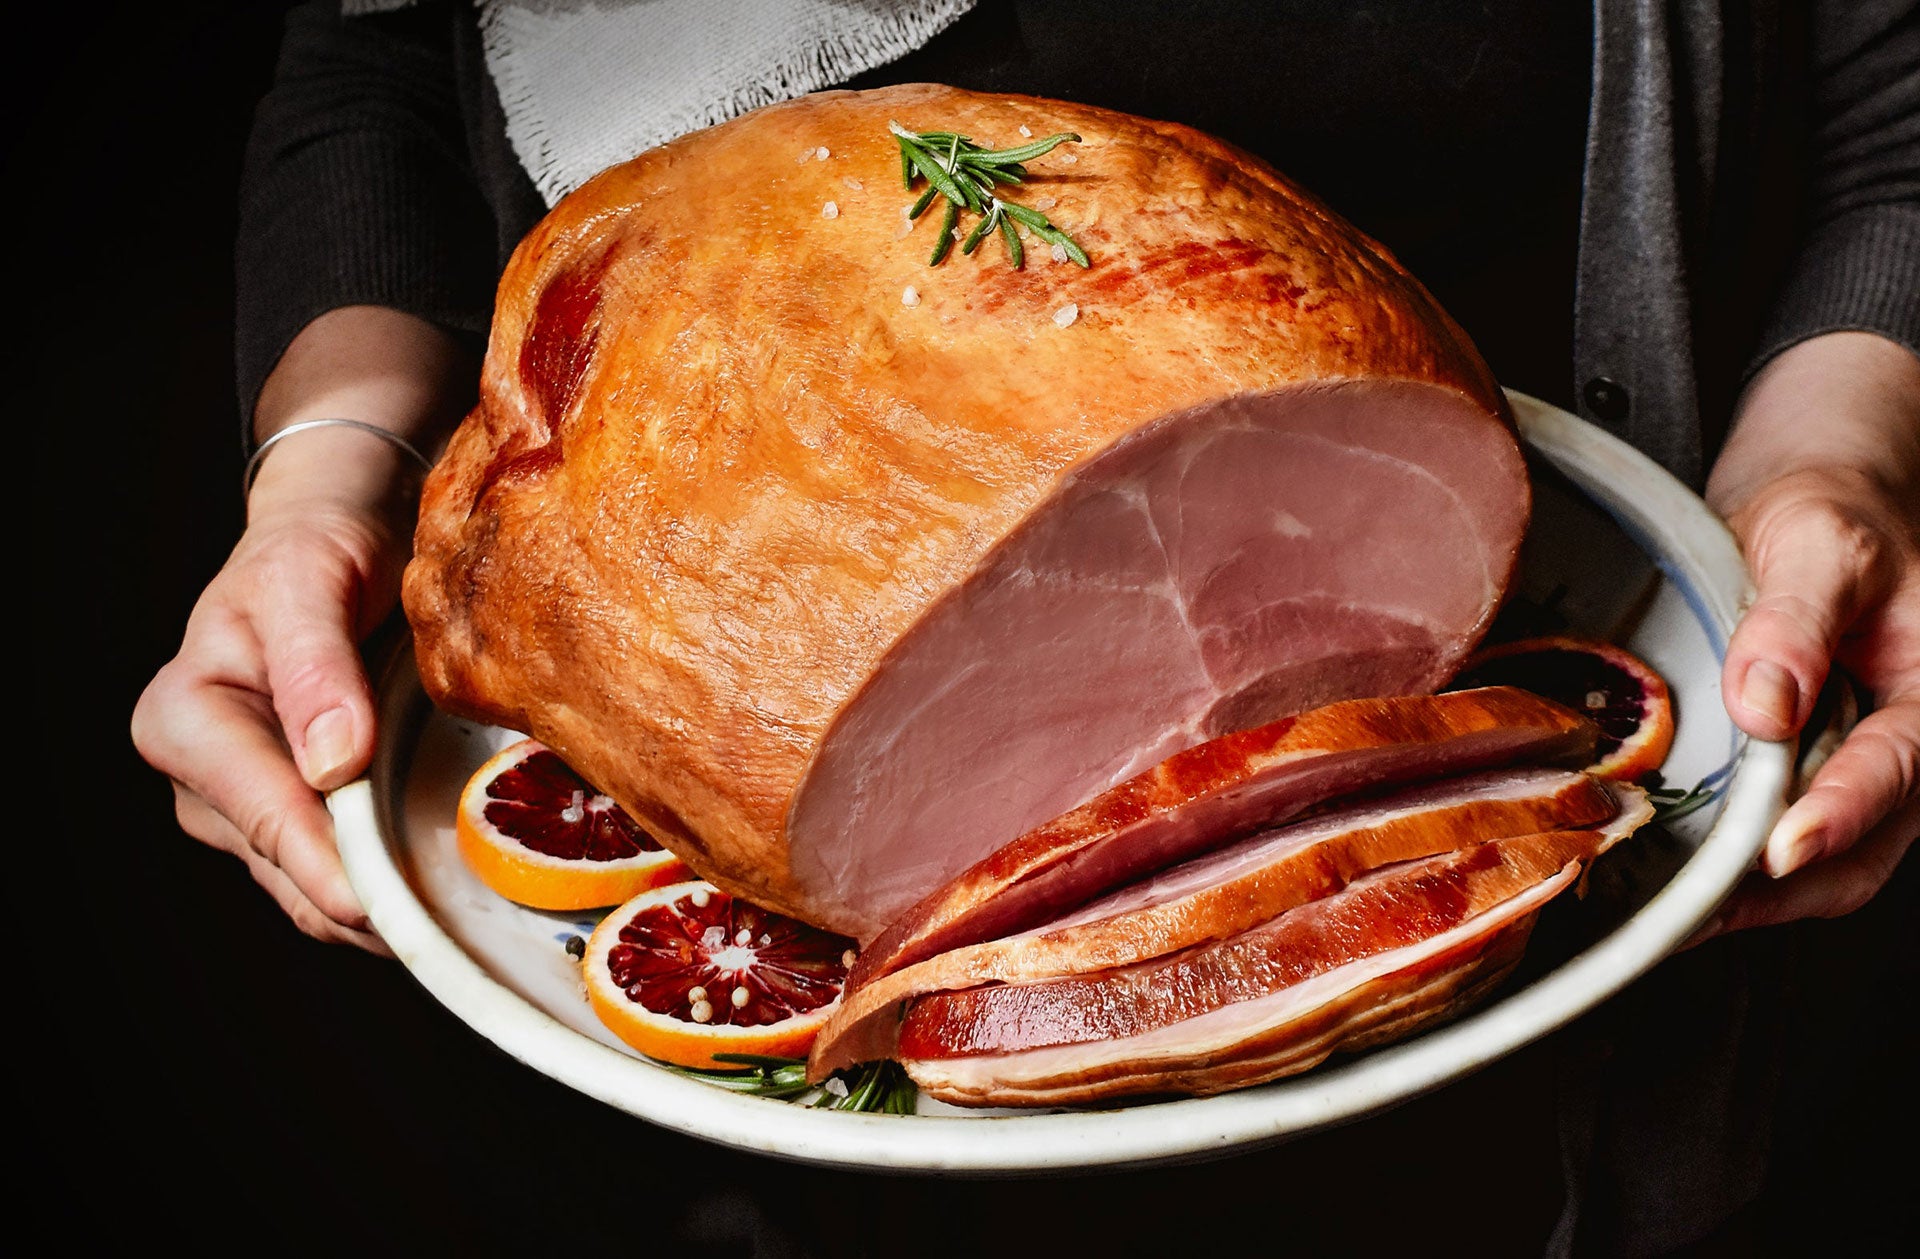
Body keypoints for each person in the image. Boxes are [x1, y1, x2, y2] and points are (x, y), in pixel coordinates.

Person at [130, 1, 1916, 1253]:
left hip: (1577, 1041)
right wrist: (331, 467)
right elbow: (372, 65)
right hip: (723, 1070)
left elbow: (1881, 90)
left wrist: (1846, 454)